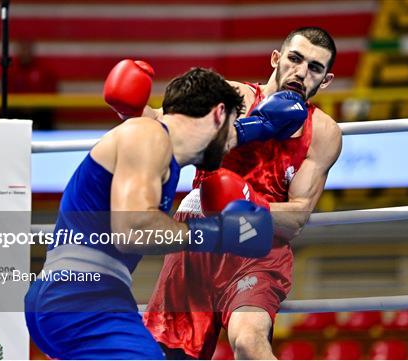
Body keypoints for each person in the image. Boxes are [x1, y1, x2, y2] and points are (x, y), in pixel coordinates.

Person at [24, 64, 307, 359]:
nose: (229, 148)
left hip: (82, 295)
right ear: (218, 114)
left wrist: (262, 126)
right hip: (79, 297)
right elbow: (133, 230)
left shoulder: (161, 142)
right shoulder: (147, 136)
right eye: (231, 128)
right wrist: (218, 233)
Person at [142, 27, 343, 359]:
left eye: (315, 68)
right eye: (295, 59)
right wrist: (131, 107)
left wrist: (246, 202)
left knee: (249, 342)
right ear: (276, 59)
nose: (301, 72)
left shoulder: (323, 132)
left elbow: (297, 217)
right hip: (198, 238)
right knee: (168, 355)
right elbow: (163, 130)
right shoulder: (231, 96)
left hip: (259, 247)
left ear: (326, 80)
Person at [8, 40, 57, 129]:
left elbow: (50, 91)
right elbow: (8, 92)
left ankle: (46, 140)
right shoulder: (11, 71)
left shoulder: (43, 70)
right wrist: (21, 105)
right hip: (17, 110)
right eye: (22, 49)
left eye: (27, 49)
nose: (25, 53)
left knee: (46, 114)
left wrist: (34, 104)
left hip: (38, 109)